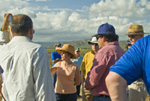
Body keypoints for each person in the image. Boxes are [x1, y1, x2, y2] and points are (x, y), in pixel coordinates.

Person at [0, 13, 56, 101]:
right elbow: (44, 91)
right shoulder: (37, 51)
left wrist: (4, 28)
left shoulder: (3, 51)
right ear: (31, 29)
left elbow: (2, 43)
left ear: (11, 30)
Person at [106, 24, 150, 101]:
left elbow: (113, 79)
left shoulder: (141, 47)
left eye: (132, 36)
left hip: (137, 84)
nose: (130, 38)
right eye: (129, 36)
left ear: (141, 35)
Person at [85, 23, 124, 101]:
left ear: (103, 38)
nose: (97, 41)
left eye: (97, 38)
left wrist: (87, 84)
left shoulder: (103, 52)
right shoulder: (122, 52)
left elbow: (94, 78)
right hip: (121, 95)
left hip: (104, 97)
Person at [80, 36, 99, 101]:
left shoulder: (104, 55)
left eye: (96, 44)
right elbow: (82, 70)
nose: (94, 46)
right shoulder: (87, 55)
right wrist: (82, 83)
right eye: (92, 44)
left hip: (99, 84)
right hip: (88, 83)